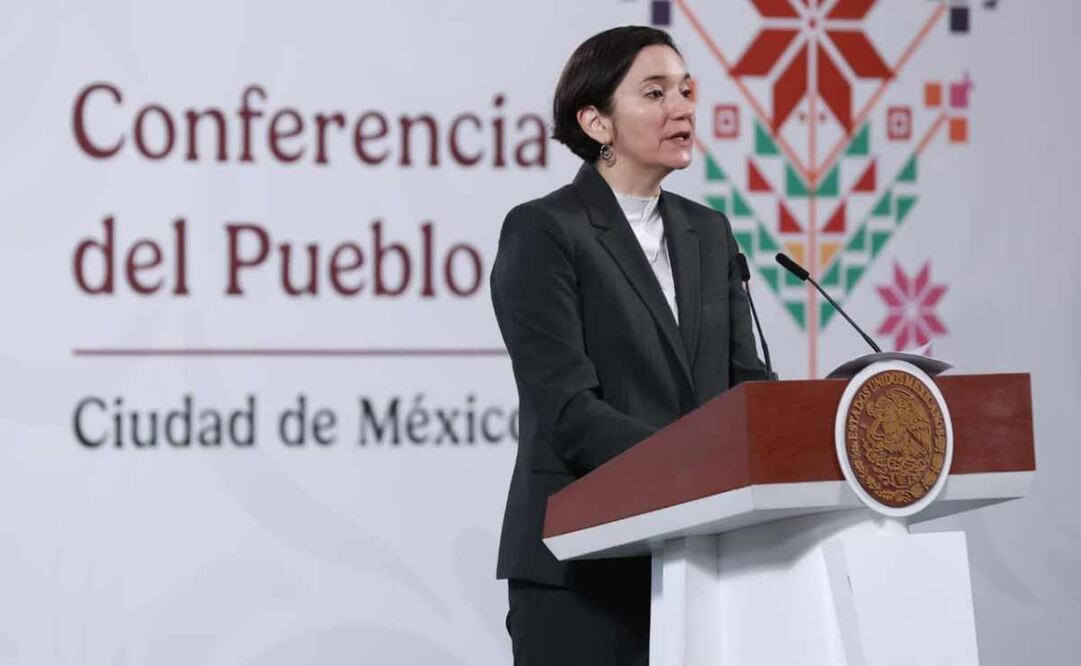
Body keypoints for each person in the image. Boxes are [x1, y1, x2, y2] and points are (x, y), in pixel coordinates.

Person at [490, 25, 769, 666]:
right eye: (654, 92)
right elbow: (569, 412)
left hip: (704, 564)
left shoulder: (709, 230)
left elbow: (744, 383)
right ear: (597, 122)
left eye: (685, 90)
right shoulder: (543, 231)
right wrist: (702, 466)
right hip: (584, 570)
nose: (682, 108)